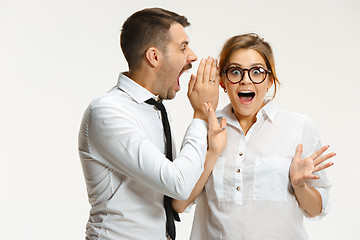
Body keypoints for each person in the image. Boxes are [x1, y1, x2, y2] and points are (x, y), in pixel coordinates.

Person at [78, 8, 225, 240]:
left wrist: (213, 150)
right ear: (154, 56)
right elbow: (179, 183)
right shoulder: (109, 112)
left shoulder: (154, 109)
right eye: (183, 47)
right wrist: (199, 115)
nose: (193, 56)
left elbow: (177, 201)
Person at [172, 33, 335, 240]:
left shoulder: (299, 127)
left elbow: (316, 209)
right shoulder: (207, 125)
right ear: (223, 81)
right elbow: (179, 202)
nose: (246, 80)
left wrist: (299, 185)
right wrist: (212, 151)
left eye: (257, 71)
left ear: (269, 80)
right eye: (235, 71)